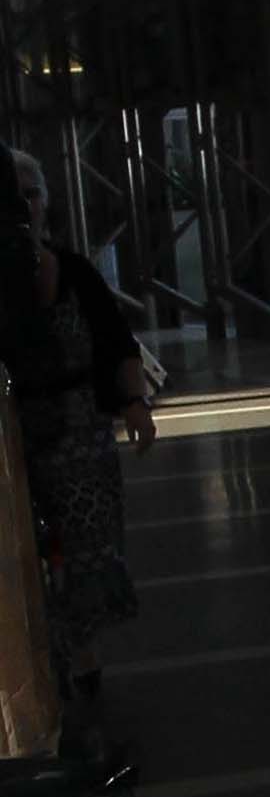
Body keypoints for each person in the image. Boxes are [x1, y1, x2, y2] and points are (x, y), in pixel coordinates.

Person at [6, 150, 153, 699]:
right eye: (13, 195)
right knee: (27, 552)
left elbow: (116, 339)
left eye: (31, 194)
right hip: (17, 433)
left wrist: (134, 403)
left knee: (88, 547)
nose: (24, 205)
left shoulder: (75, 271)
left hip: (79, 429)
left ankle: (82, 653)